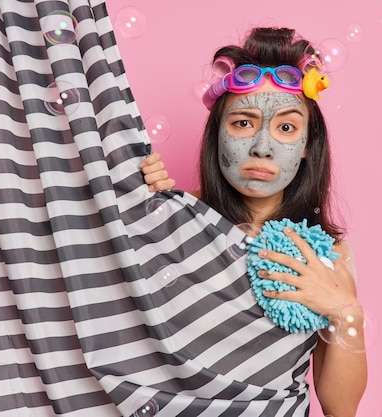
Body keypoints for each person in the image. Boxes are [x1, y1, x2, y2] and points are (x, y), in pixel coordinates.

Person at [142, 26, 367, 417]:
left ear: (306, 148)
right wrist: (141, 206)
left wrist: (346, 312)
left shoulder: (325, 254)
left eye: (286, 127)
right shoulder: (175, 218)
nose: (262, 147)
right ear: (217, 136)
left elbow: (340, 407)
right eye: (243, 123)